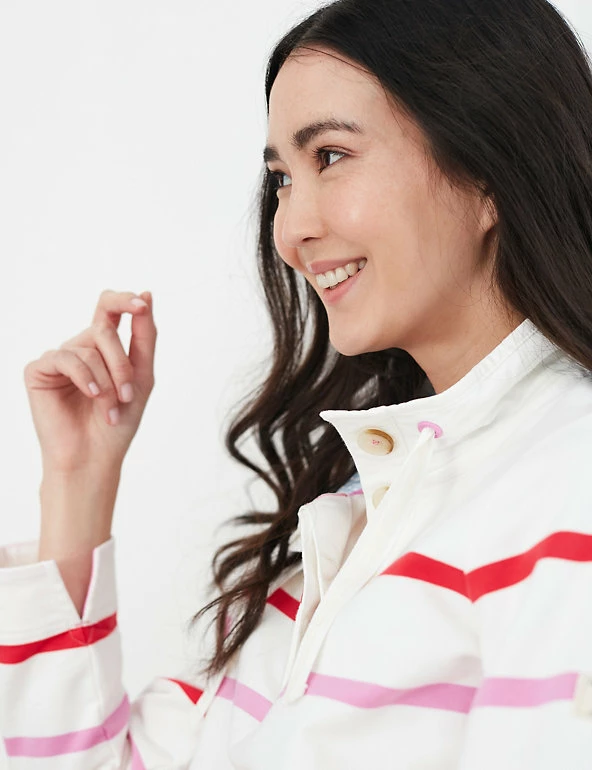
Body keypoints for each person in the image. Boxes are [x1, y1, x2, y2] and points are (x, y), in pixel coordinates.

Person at [2, 0, 592, 766]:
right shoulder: (359, 514)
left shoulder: (564, 486)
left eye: (332, 156)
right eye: (281, 178)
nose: (289, 229)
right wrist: (78, 482)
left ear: (487, 172)